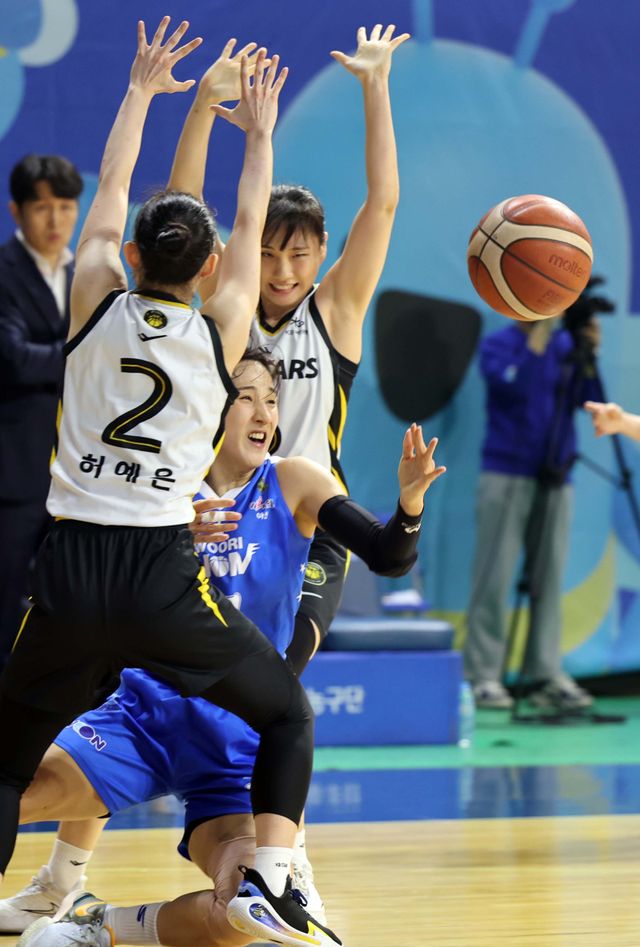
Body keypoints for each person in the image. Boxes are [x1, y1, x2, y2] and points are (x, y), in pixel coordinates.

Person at [0, 19, 346, 947]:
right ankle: (274, 871)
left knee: (6, 763)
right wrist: (260, 133)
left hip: (71, 565)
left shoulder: (90, 300)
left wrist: (142, 92)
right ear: (212, 269)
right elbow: (247, 220)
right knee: (287, 711)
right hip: (161, 571)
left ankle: (81, 899)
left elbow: (114, 187)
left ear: (131, 256)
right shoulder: (222, 329)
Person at [5, 350, 445, 947]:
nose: (264, 413)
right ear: (209, 404)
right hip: (142, 719)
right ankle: (56, 885)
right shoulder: (156, 489)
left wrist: (410, 504)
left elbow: (389, 556)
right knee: (14, 790)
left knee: (244, 914)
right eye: (246, 398)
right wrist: (166, 536)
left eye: (272, 400)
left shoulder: (296, 481)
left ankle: (99, 927)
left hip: (237, 746)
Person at [168, 24, 410, 674]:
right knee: (190, 673)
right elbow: (184, 210)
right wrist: (204, 107)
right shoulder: (229, 302)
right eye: (268, 253)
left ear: (322, 252)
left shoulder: (336, 310)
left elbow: (383, 204)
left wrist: (376, 85)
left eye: (298, 255)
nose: (281, 272)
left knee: (277, 673)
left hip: (311, 518)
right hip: (214, 512)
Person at [463, 313, 601, 711]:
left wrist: (589, 354)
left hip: (556, 475)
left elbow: (587, 399)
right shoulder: (499, 345)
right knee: (494, 575)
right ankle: (482, 675)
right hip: (507, 472)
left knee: (550, 578)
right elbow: (515, 388)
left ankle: (545, 673)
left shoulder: (566, 348)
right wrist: (537, 341)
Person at [0, 154, 83, 664]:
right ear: (16, 211)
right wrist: (82, 355)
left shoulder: (88, 274)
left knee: (73, 601)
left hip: (76, 476)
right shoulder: (4, 272)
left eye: (66, 206)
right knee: (5, 600)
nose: (56, 220)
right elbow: (12, 359)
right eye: (42, 207)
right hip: (13, 476)